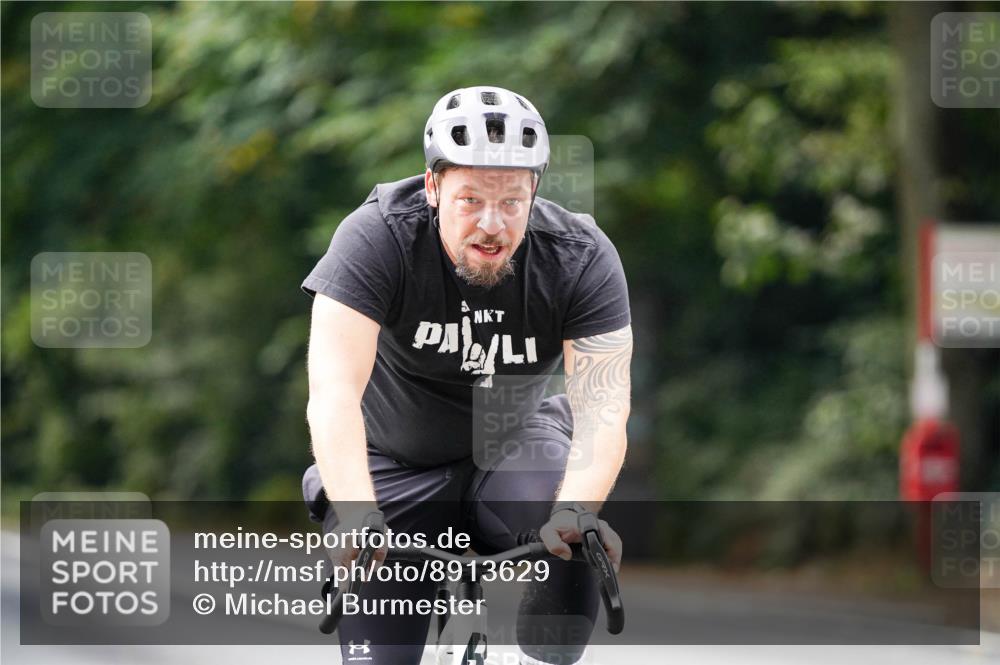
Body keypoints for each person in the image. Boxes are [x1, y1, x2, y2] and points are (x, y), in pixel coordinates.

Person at [301, 85, 632, 664]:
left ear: (535, 192)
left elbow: (603, 409)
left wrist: (575, 508)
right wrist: (356, 509)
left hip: (514, 454)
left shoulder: (580, 256)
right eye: (470, 199)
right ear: (433, 187)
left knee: (578, 543)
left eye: (511, 202)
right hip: (392, 468)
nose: (491, 224)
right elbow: (332, 393)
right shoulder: (376, 237)